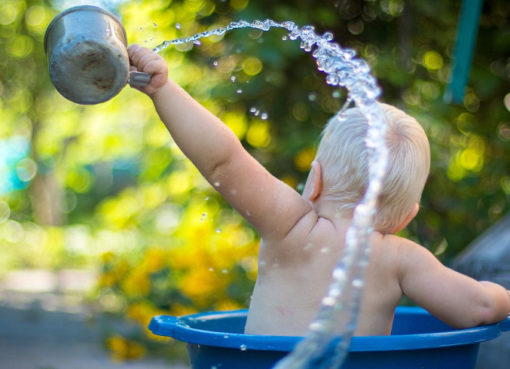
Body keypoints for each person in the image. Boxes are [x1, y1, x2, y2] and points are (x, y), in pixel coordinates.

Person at [127, 44, 510, 336]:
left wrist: (164, 89)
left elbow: (223, 160)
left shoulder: (290, 226)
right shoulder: (402, 260)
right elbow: (477, 308)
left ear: (315, 181)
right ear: (409, 214)